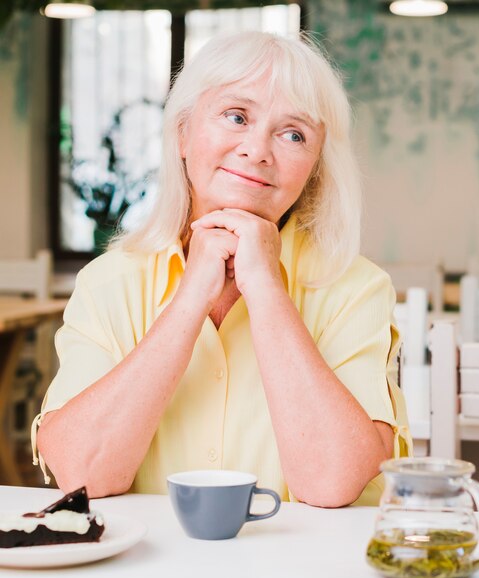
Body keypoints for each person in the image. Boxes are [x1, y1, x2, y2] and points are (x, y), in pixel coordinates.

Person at [32, 31, 412, 507]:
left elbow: (332, 484)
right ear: (183, 133)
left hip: (304, 575)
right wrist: (191, 297)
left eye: (293, 134)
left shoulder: (355, 289)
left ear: (314, 167)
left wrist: (267, 288)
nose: (257, 150)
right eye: (237, 116)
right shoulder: (109, 283)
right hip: (143, 574)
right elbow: (81, 474)